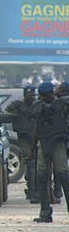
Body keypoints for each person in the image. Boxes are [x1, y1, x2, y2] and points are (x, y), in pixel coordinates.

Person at [30, 81, 69, 223]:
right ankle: (45, 211)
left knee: (64, 176)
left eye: (45, 95)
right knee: (41, 177)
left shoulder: (63, 105)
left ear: (51, 93)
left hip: (58, 143)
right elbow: (37, 129)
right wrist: (31, 150)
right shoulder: (38, 107)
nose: (43, 98)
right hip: (43, 143)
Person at [6, 85, 38, 203]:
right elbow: (8, 112)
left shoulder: (36, 106)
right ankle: (32, 190)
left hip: (36, 137)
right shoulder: (18, 106)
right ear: (25, 95)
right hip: (24, 138)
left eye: (33, 95)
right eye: (30, 95)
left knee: (38, 165)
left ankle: (36, 190)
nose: (32, 97)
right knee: (30, 163)